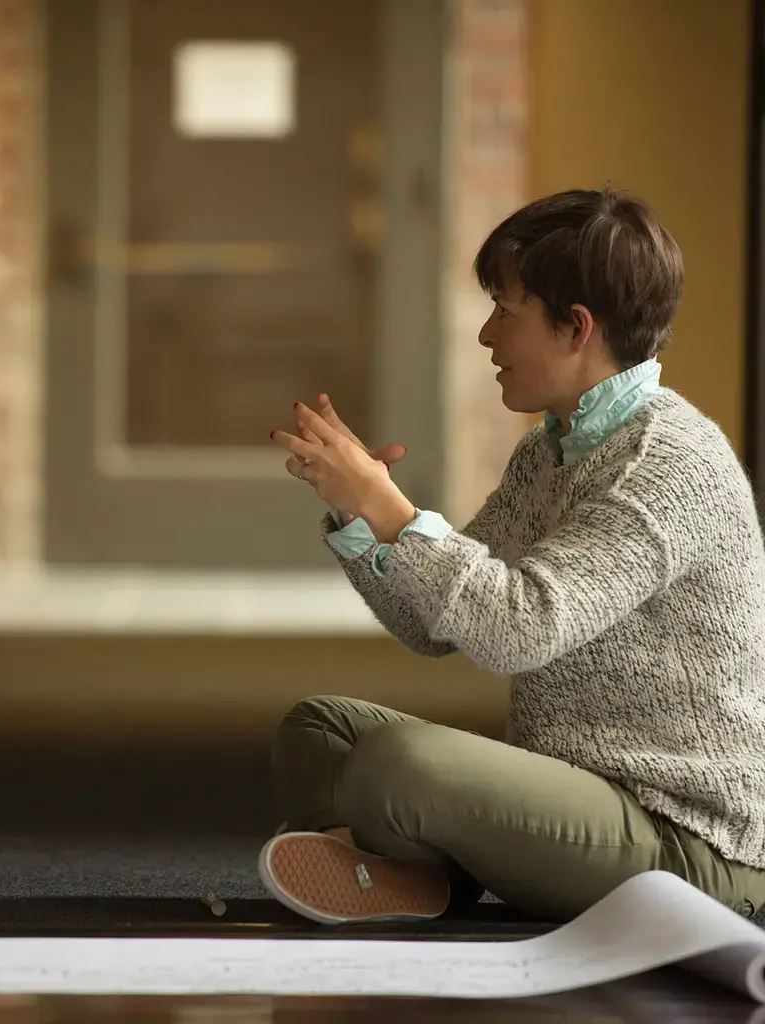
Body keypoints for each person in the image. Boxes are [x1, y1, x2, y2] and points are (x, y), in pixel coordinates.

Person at [263, 187, 765, 924]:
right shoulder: (552, 450)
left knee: (400, 765)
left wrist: (388, 508)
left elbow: (516, 627)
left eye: (506, 310)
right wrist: (356, 512)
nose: (487, 337)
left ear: (576, 328)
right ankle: (420, 876)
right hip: (576, 793)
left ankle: (402, 862)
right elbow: (436, 627)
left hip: (689, 841)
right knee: (320, 730)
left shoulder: (669, 464)